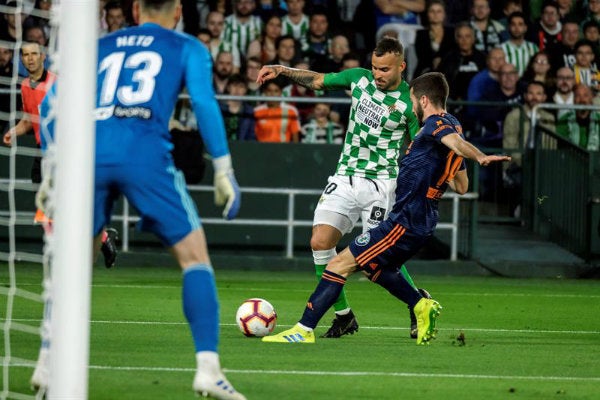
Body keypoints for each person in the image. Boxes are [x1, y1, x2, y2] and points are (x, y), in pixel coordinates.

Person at [33, 1, 245, 398]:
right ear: (179, 9)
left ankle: (47, 363)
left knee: (73, 267)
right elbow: (202, 102)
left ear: (134, 8)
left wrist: (52, 163)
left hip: (86, 155)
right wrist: (222, 167)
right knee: (194, 258)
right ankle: (207, 369)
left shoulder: (97, 44)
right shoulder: (186, 46)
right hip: (144, 154)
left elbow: (49, 104)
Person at [261, 71, 510, 344]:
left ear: (423, 100)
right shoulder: (452, 124)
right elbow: (461, 184)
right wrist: (444, 163)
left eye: (413, 100)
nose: (411, 105)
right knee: (375, 269)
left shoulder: (435, 126)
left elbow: (457, 144)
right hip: (419, 219)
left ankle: (303, 330)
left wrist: (480, 156)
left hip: (405, 220)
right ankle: (419, 303)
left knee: (338, 264)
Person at [256, 37, 430, 340]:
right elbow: (318, 81)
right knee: (320, 242)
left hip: (381, 185)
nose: (378, 74)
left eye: (385, 69)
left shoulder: (410, 103)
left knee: (376, 262)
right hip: (345, 175)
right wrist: (282, 70)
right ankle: (343, 316)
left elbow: (419, 147)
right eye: (375, 67)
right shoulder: (359, 79)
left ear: (402, 66)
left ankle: (417, 301)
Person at [413, 0, 455, 77]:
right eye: (432, 11)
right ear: (427, 14)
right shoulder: (421, 34)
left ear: (444, 15)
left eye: (439, 11)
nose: (435, 14)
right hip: (426, 72)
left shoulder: (452, 32)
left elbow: (453, 53)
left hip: (448, 71)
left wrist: (441, 61)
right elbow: (422, 56)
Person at [253, 78, 301, 142]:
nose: (272, 94)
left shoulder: (291, 111)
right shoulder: (256, 111)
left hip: (283, 150)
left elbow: (295, 138)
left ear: (281, 92)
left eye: (276, 91)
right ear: (265, 92)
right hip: (262, 150)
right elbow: (253, 136)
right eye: (269, 90)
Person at [556, 84, 600, 150]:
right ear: (574, 100)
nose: (582, 99)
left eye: (585, 95)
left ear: (591, 99)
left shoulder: (598, 119)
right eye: (578, 96)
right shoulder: (564, 119)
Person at [499, 11, 539, 77]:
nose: (516, 28)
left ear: (525, 28)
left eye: (520, 24)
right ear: (508, 27)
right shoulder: (501, 49)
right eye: (513, 24)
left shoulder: (534, 48)